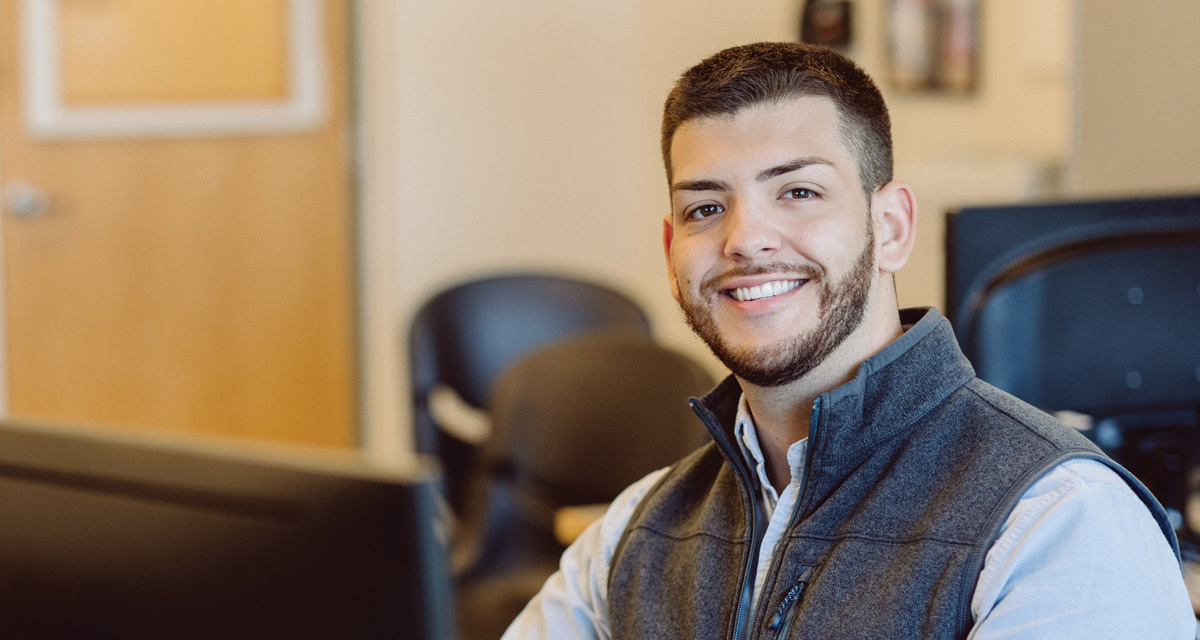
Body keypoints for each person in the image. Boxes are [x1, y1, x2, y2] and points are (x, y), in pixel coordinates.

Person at [502, 42, 1195, 639]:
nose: (744, 239)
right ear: (671, 248)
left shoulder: (1059, 520)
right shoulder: (636, 531)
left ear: (890, 227)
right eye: (706, 208)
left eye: (798, 192)